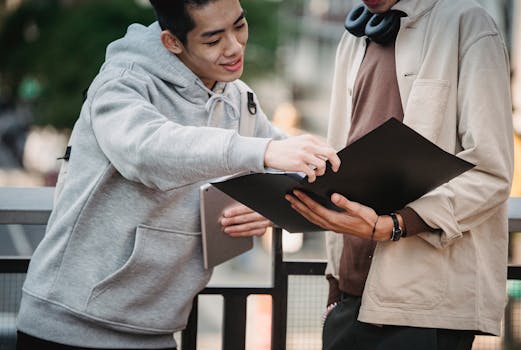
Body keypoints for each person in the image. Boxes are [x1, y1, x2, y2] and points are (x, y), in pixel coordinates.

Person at [15, 0, 340, 349]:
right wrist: (261, 151)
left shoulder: (239, 99)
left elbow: (293, 170)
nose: (233, 47)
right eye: (213, 39)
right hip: (67, 325)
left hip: (159, 331)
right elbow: (146, 151)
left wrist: (268, 208)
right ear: (172, 42)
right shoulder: (122, 84)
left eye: (239, 26)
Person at [285, 0, 514, 349]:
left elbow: (491, 172)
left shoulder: (467, 21)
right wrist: (335, 293)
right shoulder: (355, 35)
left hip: (423, 307)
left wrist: (393, 224)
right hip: (348, 298)